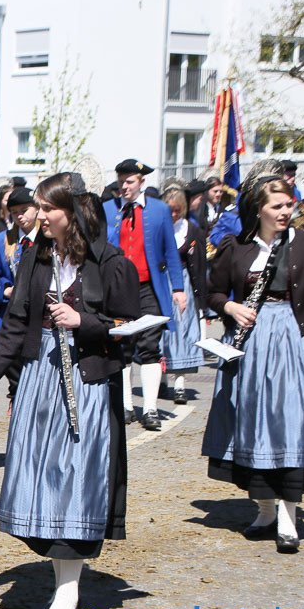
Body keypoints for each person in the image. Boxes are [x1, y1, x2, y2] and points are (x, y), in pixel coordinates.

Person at [0, 169, 140, 609]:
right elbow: (14, 321)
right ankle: (62, 580)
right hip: (39, 380)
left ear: (74, 211)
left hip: (85, 385)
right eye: (40, 208)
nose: (39, 216)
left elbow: (127, 333)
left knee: (74, 482)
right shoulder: (36, 258)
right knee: (43, 479)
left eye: (48, 208)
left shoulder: (110, 262)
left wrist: (82, 321)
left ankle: (67, 593)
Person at [202, 159, 304, 554]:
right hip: (250, 344)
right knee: (253, 421)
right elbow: (210, 293)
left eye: (288, 204)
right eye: (277, 206)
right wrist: (230, 309)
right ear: (258, 209)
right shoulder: (237, 248)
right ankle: (264, 509)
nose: (285, 212)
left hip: (293, 342)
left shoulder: (303, 243)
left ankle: (289, 517)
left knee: (289, 424)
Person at [103, 159, 187, 431]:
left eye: (129, 182)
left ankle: (150, 408)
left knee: (151, 345)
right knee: (123, 345)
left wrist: (178, 288)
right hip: (118, 288)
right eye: (121, 182)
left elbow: (171, 252)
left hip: (149, 286)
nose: (124, 187)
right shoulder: (108, 209)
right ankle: (125, 405)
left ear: (141, 182)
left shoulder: (160, 210)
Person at [0, 188, 40, 412]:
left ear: (37, 210)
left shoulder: (46, 239)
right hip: (9, 314)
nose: (20, 216)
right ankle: (15, 397)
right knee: (10, 364)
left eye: (25, 210)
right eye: (14, 212)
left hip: (38, 315)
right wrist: (5, 288)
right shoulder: (1, 241)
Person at [159, 183, 206, 405]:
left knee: (182, 333)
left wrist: (200, 298)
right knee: (162, 333)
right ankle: (160, 380)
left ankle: (180, 383)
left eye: (178, 209)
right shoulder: (158, 227)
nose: (174, 214)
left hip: (184, 284)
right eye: (170, 210)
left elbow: (200, 264)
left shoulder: (192, 230)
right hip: (162, 282)